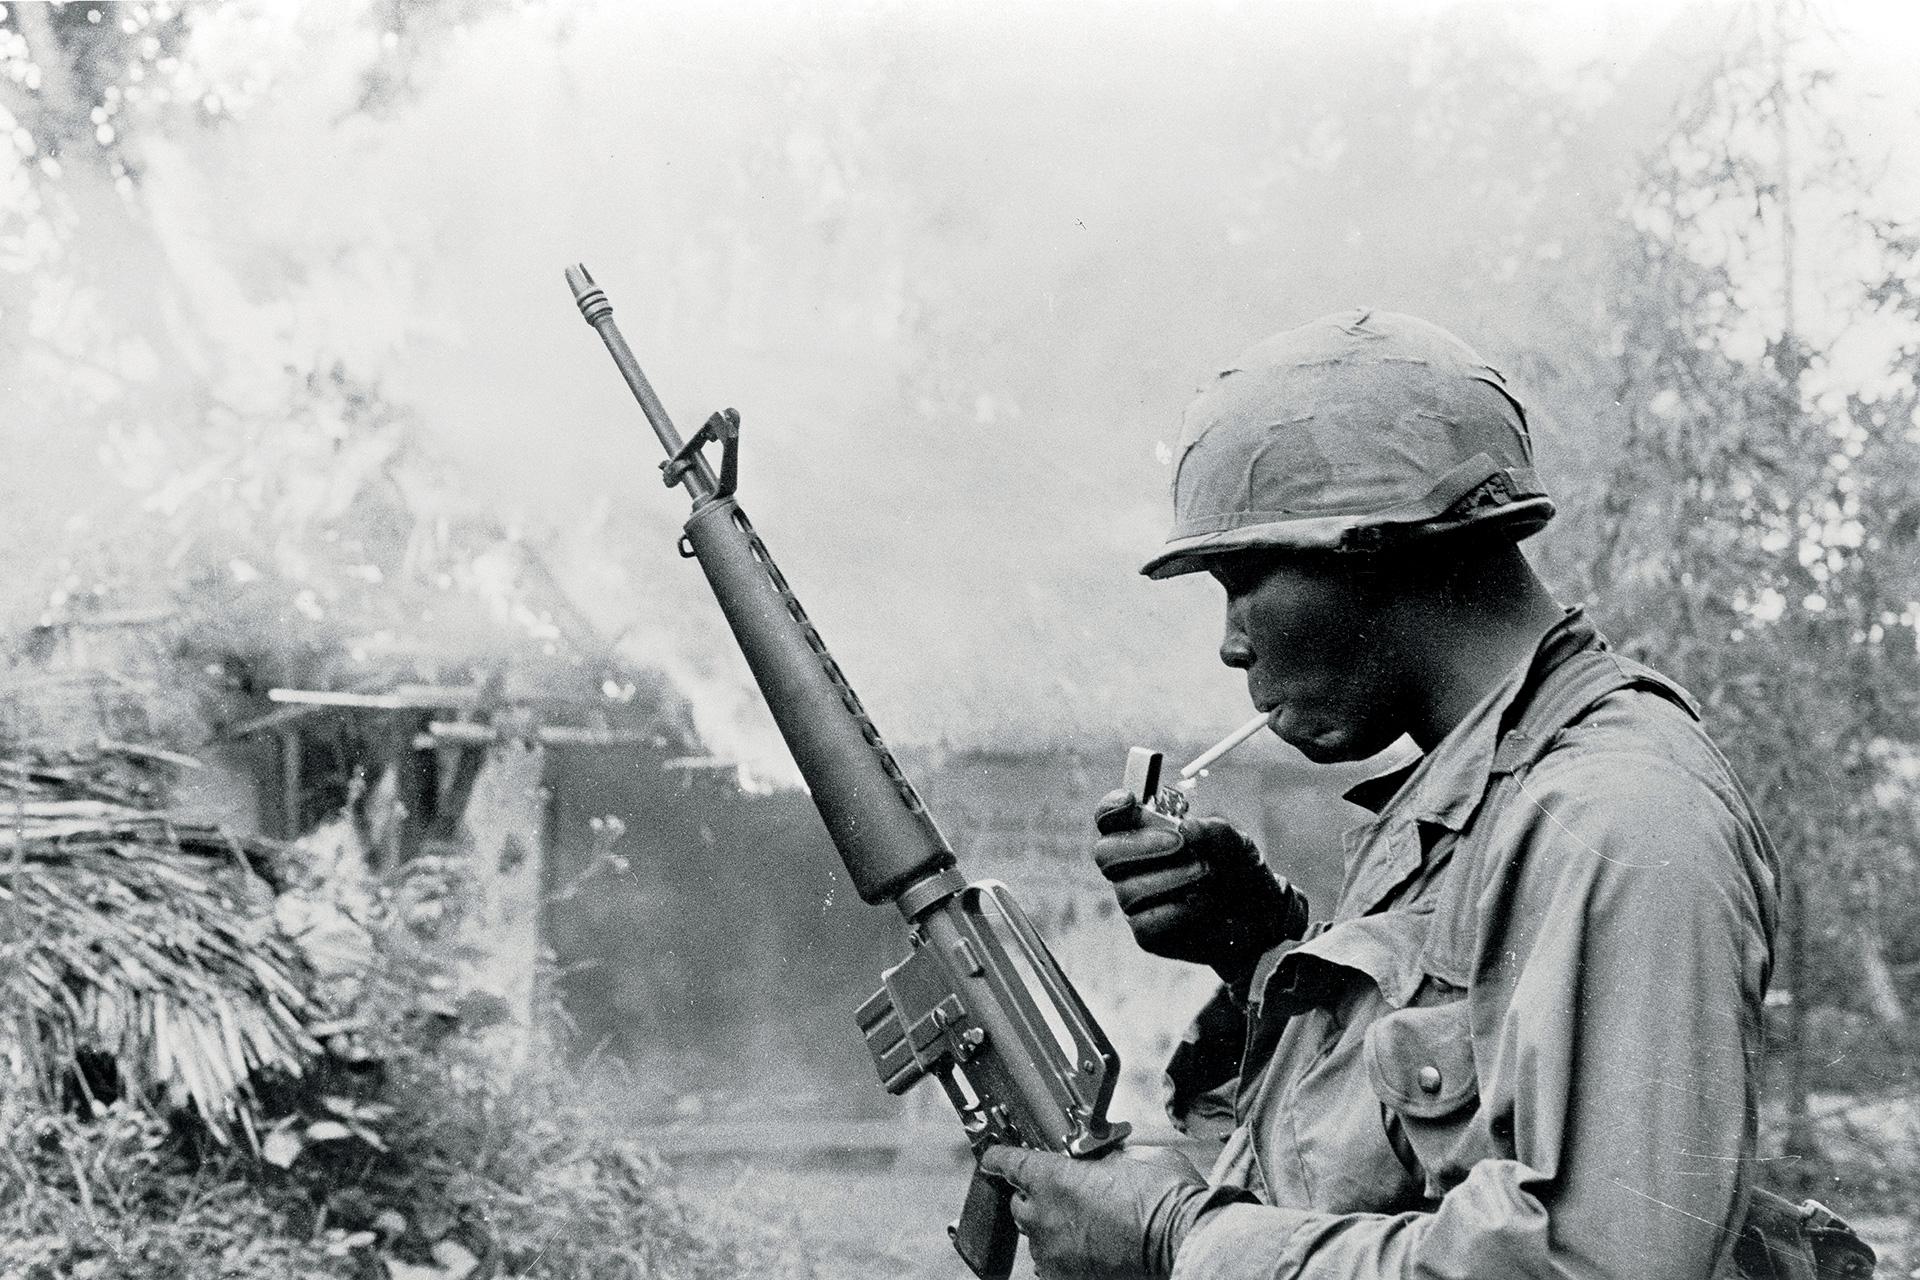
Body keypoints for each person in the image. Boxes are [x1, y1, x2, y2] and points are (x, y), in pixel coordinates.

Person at [980, 310, 1797, 1279]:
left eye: (1244, 578)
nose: (1232, 640)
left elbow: (1599, 1263)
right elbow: (1403, 1148)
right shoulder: (1481, 791)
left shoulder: (1613, 815)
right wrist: (1256, 942)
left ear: (1376, 549)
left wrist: (1179, 1238)